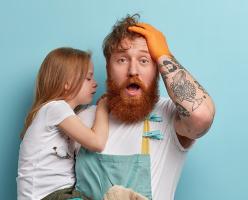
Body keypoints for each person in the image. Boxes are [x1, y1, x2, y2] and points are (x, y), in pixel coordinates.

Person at [75, 14, 215, 200]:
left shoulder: (170, 118)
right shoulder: (79, 121)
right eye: (122, 60)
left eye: (144, 60)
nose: (133, 71)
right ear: (108, 67)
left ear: (157, 69)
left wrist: (164, 56)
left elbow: (202, 116)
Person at [17, 47, 109, 200]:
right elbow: (97, 143)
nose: (95, 84)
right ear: (67, 83)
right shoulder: (55, 108)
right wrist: (103, 109)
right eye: (88, 78)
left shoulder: (61, 113)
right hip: (46, 196)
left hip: (62, 193)